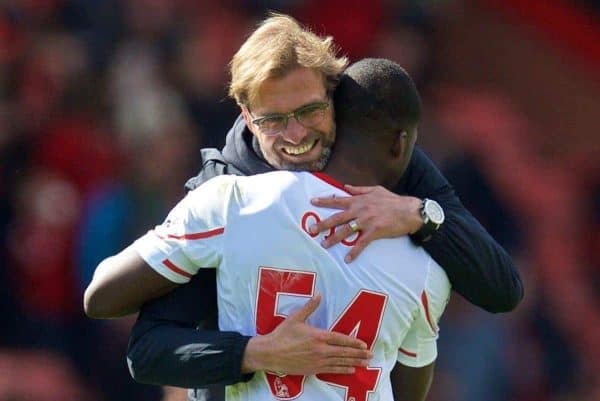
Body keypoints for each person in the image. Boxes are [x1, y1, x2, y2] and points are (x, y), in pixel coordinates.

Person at [84, 13, 522, 400]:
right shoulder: (223, 195)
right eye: (274, 120)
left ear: (334, 96)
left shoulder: (388, 162)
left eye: (310, 110)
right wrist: (256, 353)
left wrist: (419, 214)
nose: (295, 137)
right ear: (246, 115)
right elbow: (149, 352)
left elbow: (501, 289)